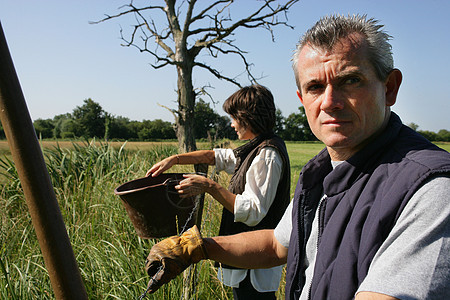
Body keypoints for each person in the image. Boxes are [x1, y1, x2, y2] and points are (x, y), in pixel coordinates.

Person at [144, 15, 450, 299]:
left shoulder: (431, 189)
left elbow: (253, 211)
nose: (330, 102)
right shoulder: (320, 171)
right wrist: (197, 247)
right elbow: (278, 243)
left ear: (390, 88)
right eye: (315, 87)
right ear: (303, 99)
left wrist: (210, 188)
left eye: (350, 81)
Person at [146, 84, 291, 299]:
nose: (232, 124)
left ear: (247, 117)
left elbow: (252, 213)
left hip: (255, 263)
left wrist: (209, 186)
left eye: (234, 118)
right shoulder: (255, 148)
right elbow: (215, 157)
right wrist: (175, 159)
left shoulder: (266, 155)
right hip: (248, 260)